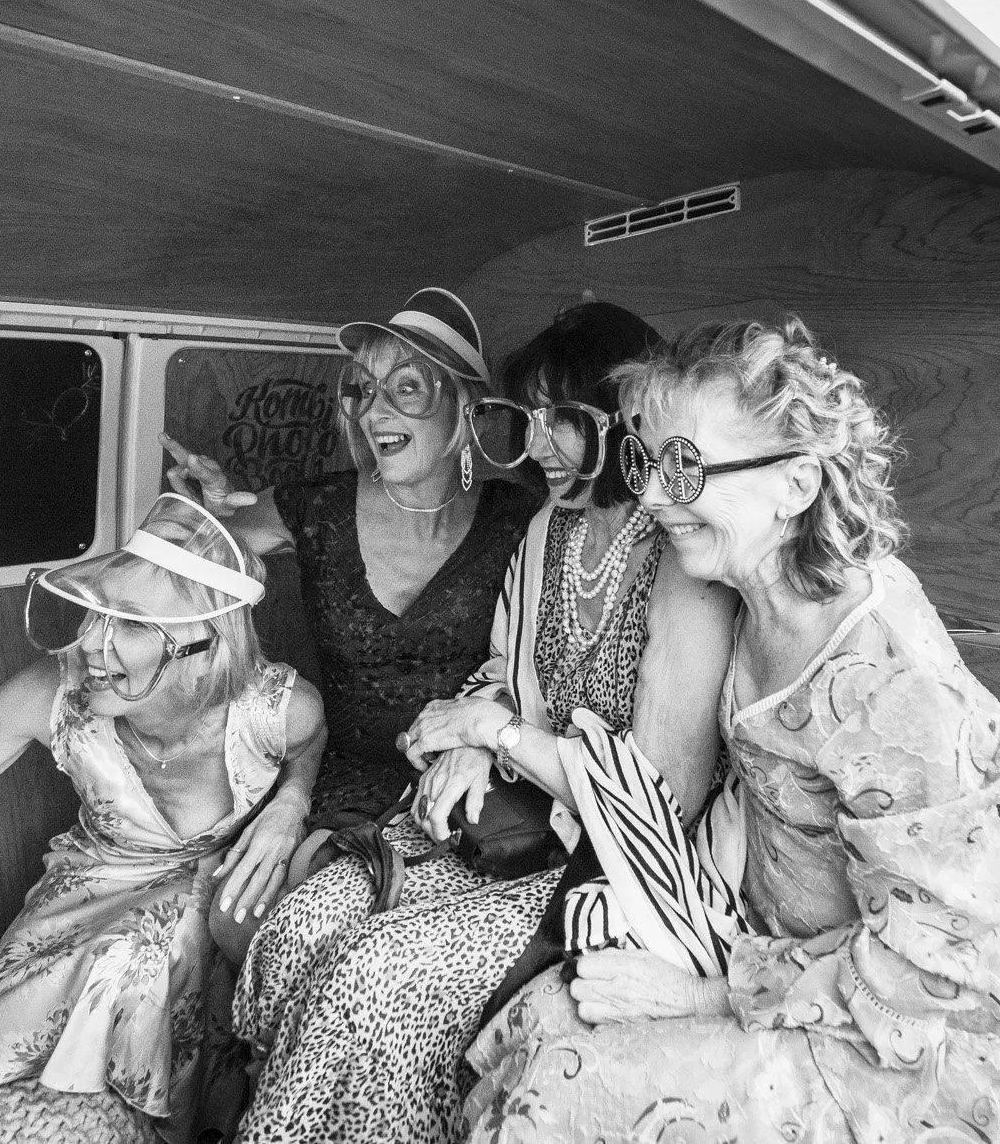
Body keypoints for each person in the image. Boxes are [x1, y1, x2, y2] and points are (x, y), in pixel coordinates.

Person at [459, 317, 1000, 1144]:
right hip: (795, 961)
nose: (656, 496)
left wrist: (704, 993)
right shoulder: (741, 598)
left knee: (563, 1094)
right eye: (647, 462)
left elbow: (934, 954)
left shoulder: (882, 673)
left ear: (797, 483)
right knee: (542, 1020)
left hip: (922, 1030)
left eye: (685, 467)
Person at [230, 302, 738, 1144]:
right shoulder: (548, 528)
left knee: (371, 976)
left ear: (627, 420)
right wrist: (475, 733)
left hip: (607, 857)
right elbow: (501, 668)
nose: (536, 445)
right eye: (526, 422)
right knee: (300, 926)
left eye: (559, 423)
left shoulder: (677, 557)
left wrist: (497, 738)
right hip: (513, 816)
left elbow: (663, 798)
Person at [0, 493, 326, 1135]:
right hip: (78, 914)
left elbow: (309, 737)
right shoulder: (52, 694)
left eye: (130, 624)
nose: (89, 646)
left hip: (203, 924)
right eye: (93, 613)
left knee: (143, 958)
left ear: (206, 641)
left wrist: (291, 802)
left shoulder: (278, 709)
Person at [166, 287, 539, 859]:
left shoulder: (517, 518)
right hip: (347, 783)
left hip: (480, 775)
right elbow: (198, 571)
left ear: (465, 407)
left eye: (406, 388)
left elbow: (553, 669)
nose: (374, 411)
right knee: (239, 922)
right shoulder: (314, 508)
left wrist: (493, 736)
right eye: (363, 391)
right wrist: (209, 515)